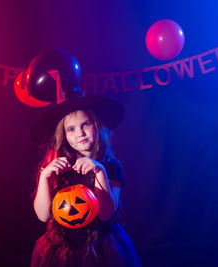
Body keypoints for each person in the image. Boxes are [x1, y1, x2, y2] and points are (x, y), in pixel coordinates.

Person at [30, 90, 142, 266]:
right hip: (62, 249)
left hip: (99, 248)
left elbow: (106, 214)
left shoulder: (111, 166)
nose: (80, 133)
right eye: (71, 129)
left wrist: (100, 173)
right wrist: (44, 177)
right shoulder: (59, 167)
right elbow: (43, 215)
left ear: (97, 126)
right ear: (64, 135)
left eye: (86, 125)